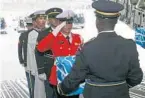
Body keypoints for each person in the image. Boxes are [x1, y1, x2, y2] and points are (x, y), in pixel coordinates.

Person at [57, 1, 143, 98]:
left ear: (97, 22)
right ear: (115, 21)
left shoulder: (87, 48)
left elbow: (76, 77)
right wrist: (120, 86)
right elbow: (136, 77)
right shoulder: (129, 45)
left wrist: (62, 88)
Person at [37, 10, 83, 98]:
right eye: (65, 23)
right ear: (59, 23)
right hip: (59, 77)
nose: (69, 25)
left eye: (70, 22)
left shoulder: (78, 37)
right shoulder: (54, 38)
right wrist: (57, 29)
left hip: (75, 77)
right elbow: (40, 48)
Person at [35, 8, 63, 98]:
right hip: (49, 69)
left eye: (57, 17)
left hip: (64, 69)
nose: (55, 19)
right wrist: (41, 70)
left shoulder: (66, 31)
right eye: (52, 17)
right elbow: (38, 53)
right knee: (50, 94)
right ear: (49, 20)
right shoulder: (43, 34)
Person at [18, 15, 34, 98]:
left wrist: (21, 60)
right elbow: (20, 49)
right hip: (27, 62)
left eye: (30, 25)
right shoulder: (23, 35)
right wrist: (21, 60)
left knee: (32, 82)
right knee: (30, 81)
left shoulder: (37, 34)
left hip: (34, 62)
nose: (29, 27)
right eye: (29, 25)